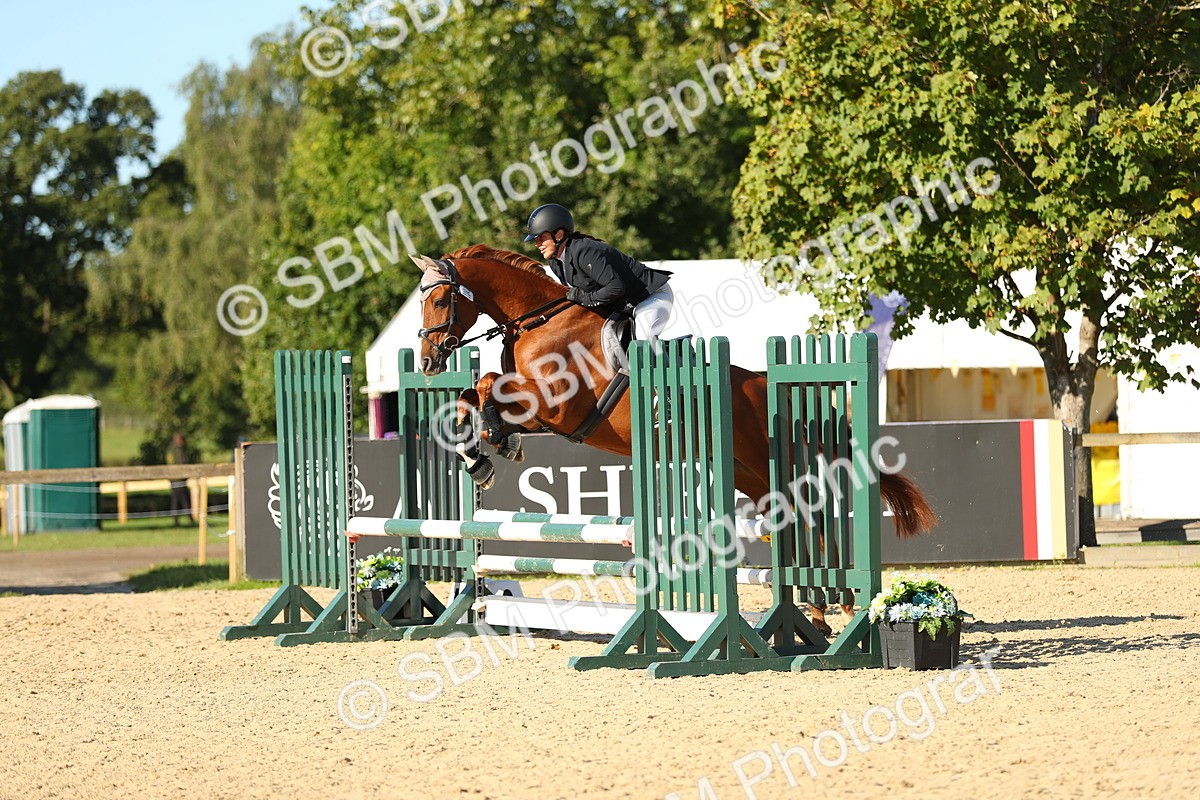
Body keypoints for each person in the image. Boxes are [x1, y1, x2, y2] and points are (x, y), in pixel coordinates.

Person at [524, 203, 674, 348]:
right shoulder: (556, 261)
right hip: (623, 304)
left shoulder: (584, 251)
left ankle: (672, 363)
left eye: (541, 238)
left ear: (559, 235)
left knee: (643, 340)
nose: (537, 244)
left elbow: (615, 288)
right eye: (536, 240)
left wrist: (585, 299)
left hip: (650, 296)